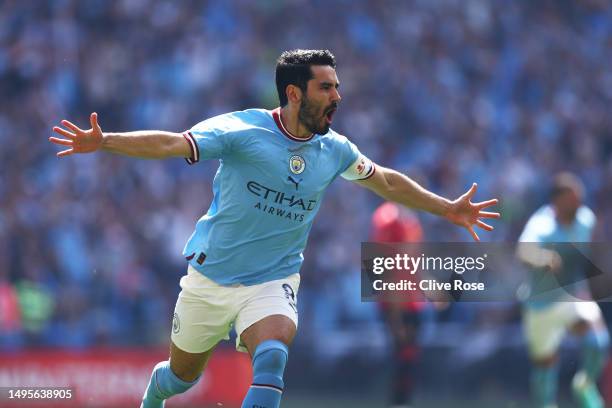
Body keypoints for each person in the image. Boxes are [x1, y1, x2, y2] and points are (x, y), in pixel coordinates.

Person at [49, 49, 500, 408]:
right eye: (326, 88)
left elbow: (383, 179)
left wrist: (447, 209)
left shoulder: (335, 149)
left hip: (273, 278)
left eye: (338, 87)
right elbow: (173, 142)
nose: (337, 97)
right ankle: (155, 393)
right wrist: (106, 141)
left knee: (274, 353)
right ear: (295, 93)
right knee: (181, 377)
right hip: (210, 278)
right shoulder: (241, 130)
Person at [517, 173, 609, 408]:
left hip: (572, 297)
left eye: (580, 198)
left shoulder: (585, 220)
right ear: (557, 201)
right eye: (572, 199)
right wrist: (543, 257)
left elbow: (583, 259)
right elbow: (523, 252)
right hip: (541, 304)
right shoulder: (541, 224)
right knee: (545, 366)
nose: (578, 203)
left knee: (597, 341)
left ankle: (585, 383)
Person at [371, 201, 425, 408]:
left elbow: (412, 262)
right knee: (401, 358)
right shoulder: (388, 218)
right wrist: (394, 314)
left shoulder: (410, 218)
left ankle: (403, 401)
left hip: (411, 301)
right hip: (397, 302)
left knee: (409, 358)